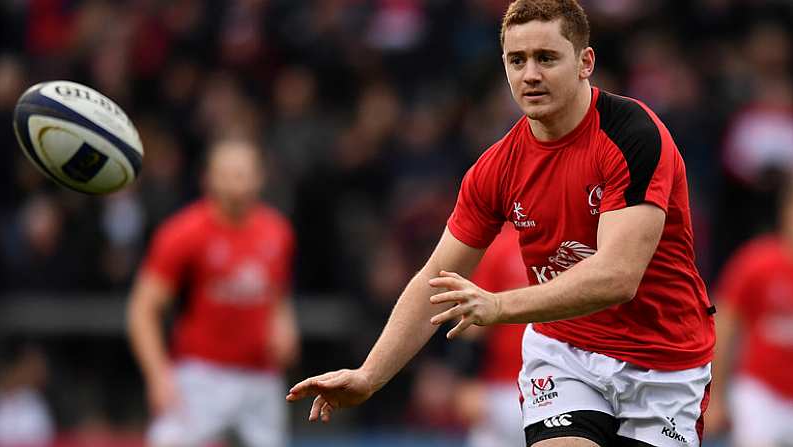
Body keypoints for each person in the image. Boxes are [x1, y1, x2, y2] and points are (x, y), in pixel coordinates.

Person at [287, 1, 715, 446]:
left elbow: (617, 277)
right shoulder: (495, 168)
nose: (530, 74)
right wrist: (369, 376)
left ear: (585, 62)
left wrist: (498, 307)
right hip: (565, 352)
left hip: (662, 360)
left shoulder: (634, 136)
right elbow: (437, 279)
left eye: (546, 58)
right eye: (517, 60)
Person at [128, 139, 299, 447]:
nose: (236, 183)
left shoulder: (278, 232)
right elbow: (142, 308)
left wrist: (284, 325)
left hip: (262, 379)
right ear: (208, 178)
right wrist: (157, 375)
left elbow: (277, 294)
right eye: (227, 174)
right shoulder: (182, 234)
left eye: (243, 174)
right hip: (200, 376)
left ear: (260, 177)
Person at [706, 180, 793, 446]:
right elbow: (722, 326)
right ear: (785, 211)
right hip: (760, 393)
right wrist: (716, 395)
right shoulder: (756, 261)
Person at [455, 224, 527, 447]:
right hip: (501, 390)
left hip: (565, 382)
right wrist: (467, 380)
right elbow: (470, 323)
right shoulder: (501, 246)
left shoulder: (579, 241)